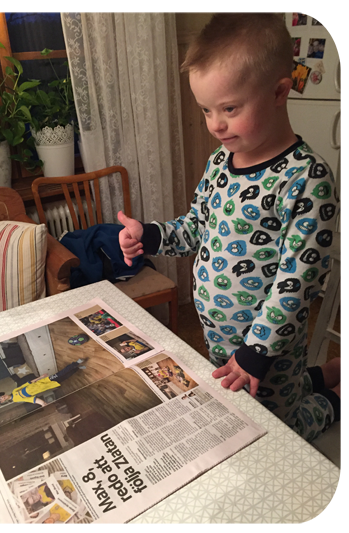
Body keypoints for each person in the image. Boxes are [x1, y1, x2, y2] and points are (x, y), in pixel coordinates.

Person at [117, 13, 340, 442]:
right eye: (206, 109)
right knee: (246, 410)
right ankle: (326, 373)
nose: (215, 124)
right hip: (219, 338)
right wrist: (151, 235)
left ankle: (335, 397)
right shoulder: (220, 162)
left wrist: (257, 350)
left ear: (279, 91)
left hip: (267, 345)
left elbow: (298, 282)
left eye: (230, 109)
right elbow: (196, 227)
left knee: (280, 428)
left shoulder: (307, 178)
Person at [0, 360, 86, 407]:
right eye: (0, 400)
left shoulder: (15, 391)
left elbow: (28, 383)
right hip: (46, 386)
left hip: (43, 381)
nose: (2, 398)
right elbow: (32, 399)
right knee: (64, 377)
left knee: (60, 374)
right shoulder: (16, 399)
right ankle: (77, 368)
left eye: (0, 397)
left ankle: (76, 363)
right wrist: (42, 403)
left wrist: (40, 377)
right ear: (3, 402)